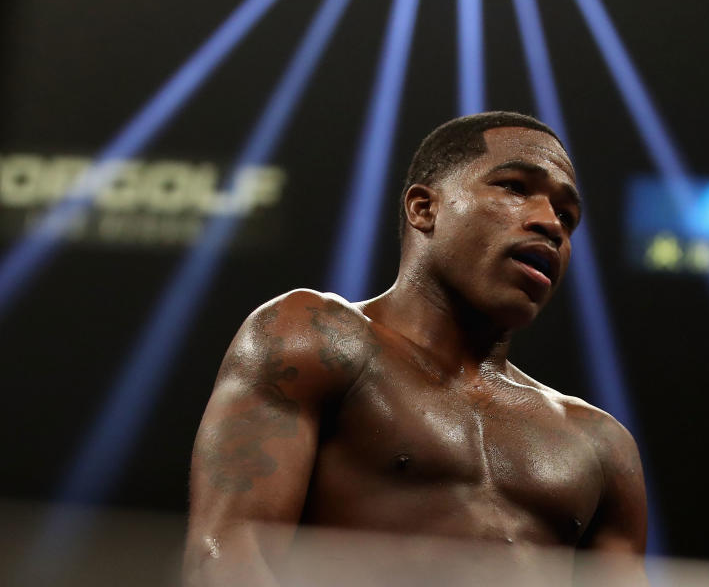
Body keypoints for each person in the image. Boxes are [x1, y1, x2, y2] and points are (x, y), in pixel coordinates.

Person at [183, 112, 647, 586]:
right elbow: (227, 553)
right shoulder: (315, 337)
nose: (550, 223)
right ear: (424, 208)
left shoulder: (602, 446)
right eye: (514, 187)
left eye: (568, 217)